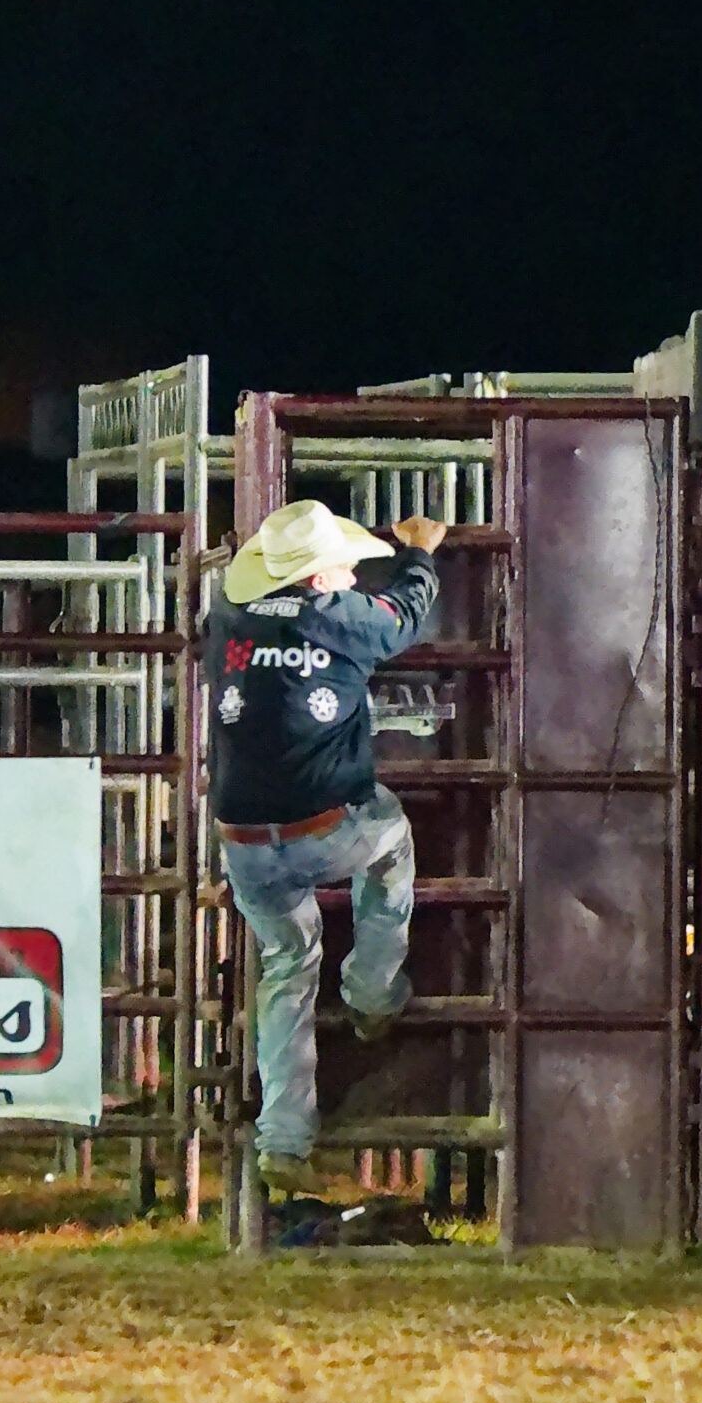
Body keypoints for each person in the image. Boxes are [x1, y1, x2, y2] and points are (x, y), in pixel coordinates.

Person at [206, 499, 444, 1198]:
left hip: (243, 839)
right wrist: (418, 553)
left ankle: (283, 1137)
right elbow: (403, 614)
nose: (350, 574)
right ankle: (372, 991)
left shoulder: (228, 615)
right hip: (327, 829)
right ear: (315, 578)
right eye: (342, 565)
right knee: (391, 841)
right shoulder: (339, 617)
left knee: (285, 961)